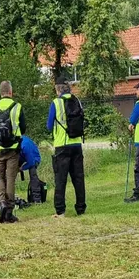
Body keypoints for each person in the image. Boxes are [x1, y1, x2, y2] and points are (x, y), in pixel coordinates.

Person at [47, 78, 86, 218]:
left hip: (62, 145)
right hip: (76, 143)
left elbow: (49, 125)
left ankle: (60, 211)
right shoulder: (77, 101)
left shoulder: (56, 103)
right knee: (78, 178)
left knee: (60, 179)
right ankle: (81, 208)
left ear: (58, 89)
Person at [0, 80, 26, 224]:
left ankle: (2, 203)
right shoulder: (17, 107)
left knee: (0, 177)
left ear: (0, 92)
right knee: (10, 178)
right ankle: (9, 211)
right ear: (10, 92)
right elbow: (23, 128)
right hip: (13, 148)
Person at [19, 135, 43, 203]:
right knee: (10, 172)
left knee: (33, 174)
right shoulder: (12, 144)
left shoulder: (25, 145)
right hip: (21, 156)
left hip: (34, 158)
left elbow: (31, 162)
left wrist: (22, 168)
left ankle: (37, 200)